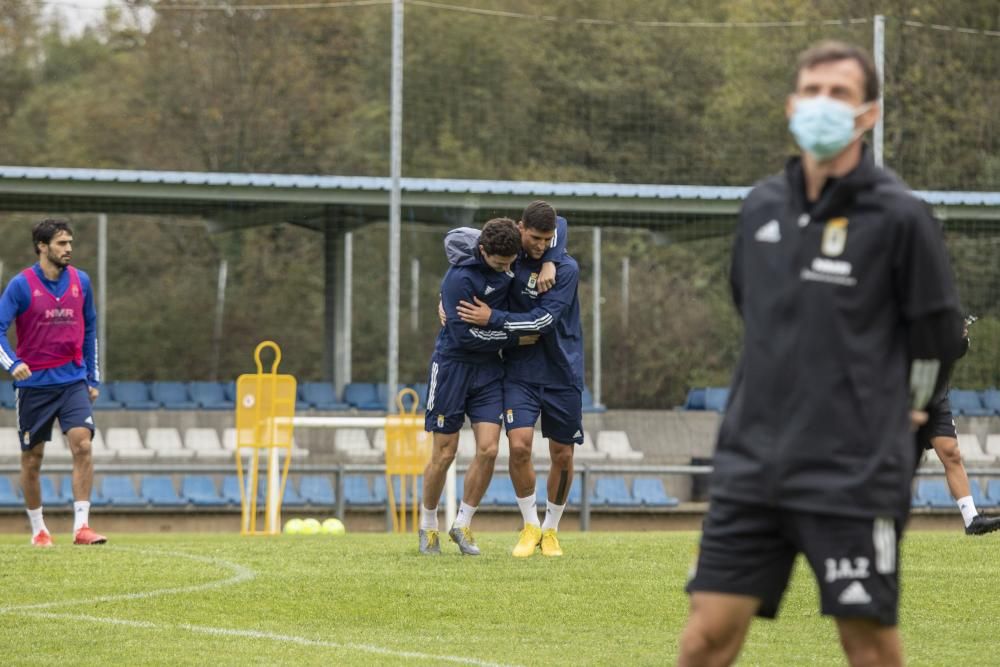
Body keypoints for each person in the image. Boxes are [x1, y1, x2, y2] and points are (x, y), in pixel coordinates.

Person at [677, 42, 964, 667]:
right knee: (704, 638)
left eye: (839, 93)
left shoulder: (902, 217)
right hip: (750, 467)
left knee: (867, 644)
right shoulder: (759, 209)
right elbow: (750, 308)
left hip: (851, 475)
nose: (823, 105)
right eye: (813, 91)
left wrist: (911, 416)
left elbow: (938, 341)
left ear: (868, 114)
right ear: (790, 105)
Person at [451, 200, 584, 558]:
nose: (540, 246)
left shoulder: (565, 268)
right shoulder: (509, 257)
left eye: (547, 240)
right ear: (521, 227)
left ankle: (551, 531)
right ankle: (529, 526)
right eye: (535, 238)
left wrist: (493, 318)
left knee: (563, 455)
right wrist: (446, 301)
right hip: (520, 371)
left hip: (563, 371)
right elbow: (461, 254)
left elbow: (543, 323)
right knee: (520, 446)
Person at [418, 217, 529, 556]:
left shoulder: (513, 260)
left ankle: (463, 523)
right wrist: (513, 335)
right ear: (483, 251)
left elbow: (557, 227)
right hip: (453, 367)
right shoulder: (459, 279)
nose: (507, 269)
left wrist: (497, 326)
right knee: (445, 452)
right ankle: (428, 526)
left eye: (511, 263)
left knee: (489, 449)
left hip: (489, 372)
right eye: (500, 263)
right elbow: (465, 336)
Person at [0, 219, 106, 547]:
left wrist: (92, 376)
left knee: (83, 445)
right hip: (34, 386)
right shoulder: (21, 285)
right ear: (42, 247)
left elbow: (90, 330)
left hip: (73, 380)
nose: (69, 249)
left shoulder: (82, 282)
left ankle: (82, 528)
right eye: (61, 244)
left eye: (70, 243)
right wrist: (13, 363)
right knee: (33, 459)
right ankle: (39, 530)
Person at [916, 320, 1000, 536]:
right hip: (901, 393)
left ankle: (972, 519)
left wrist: (959, 337)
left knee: (952, 453)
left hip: (935, 395)